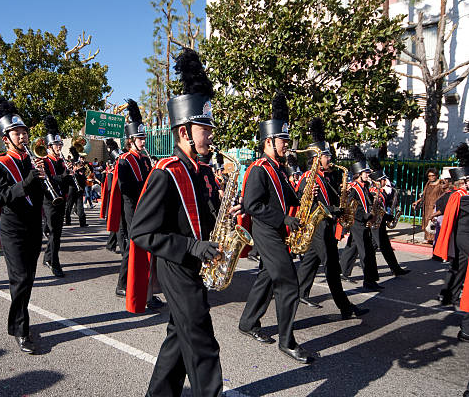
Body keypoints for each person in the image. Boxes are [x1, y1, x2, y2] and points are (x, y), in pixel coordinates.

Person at [128, 48, 225, 396]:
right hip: (177, 265)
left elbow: (207, 215)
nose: (211, 135)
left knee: (179, 338)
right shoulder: (166, 173)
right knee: (202, 345)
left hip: (196, 264)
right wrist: (192, 246)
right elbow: (141, 232)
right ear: (184, 131)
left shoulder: (203, 171)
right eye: (206, 128)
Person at [237, 92, 315, 364]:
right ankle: (287, 341)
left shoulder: (278, 169)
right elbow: (251, 205)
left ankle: (248, 322)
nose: (286, 145)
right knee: (289, 284)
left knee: (266, 279)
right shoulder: (259, 169)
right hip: (267, 232)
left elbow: (289, 198)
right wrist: (283, 219)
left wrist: (307, 195)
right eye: (282, 140)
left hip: (276, 231)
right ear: (268, 141)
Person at [0, 95, 45, 354]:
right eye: (17, 133)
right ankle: (21, 329)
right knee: (20, 279)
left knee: (28, 279)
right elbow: (0, 197)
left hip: (33, 226)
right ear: (6, 138)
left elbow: (35, 195)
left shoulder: (30, 161)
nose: (23, 137)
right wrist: (28, 182)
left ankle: (15, 321)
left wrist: (46, 183)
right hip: (13, 228)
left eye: (24, 132)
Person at [294, 118, 369, 319]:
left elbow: (333, 201)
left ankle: (300, 292)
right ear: (316, 159)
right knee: (332, 267)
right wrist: (335, 210)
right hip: (317, 226)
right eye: (326, 155)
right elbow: (306, 204)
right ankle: (345, 307)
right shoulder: (308, 179)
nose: (330, 158)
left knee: (310, 261)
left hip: (324, 226)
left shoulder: (326, 178)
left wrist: (341, 201)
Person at [107, 99, 154, 301]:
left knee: (147, 249)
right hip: (133, 209)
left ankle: (145, 287)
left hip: (146, 207)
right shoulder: (125, 160)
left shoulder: (145, 158)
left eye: (143, 138)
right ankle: (122, 284)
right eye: (139, 138)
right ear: (130, 140)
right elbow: (124, 189)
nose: (143, 141)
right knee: (132, 248)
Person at [339, 146, 383, 291]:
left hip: (364, 222)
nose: (368, 174)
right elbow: (351, 207)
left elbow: (369, 204)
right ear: (359, 173)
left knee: (355, 247)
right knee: (366, 251)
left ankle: (344, 271)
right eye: (366, 172)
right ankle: (369, 281)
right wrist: (365, 216)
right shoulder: (353, 189)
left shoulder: (364, 186)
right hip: (357, 223)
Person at [435, 143, 469, 309]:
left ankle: (450, 295)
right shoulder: (460, 196)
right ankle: (448, 294)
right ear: (463, 182)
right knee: (456, 268)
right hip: (460, 236)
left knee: (459, 268)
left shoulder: (462, 195)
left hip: (462, 236)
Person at [367, 167, 410, 277]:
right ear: (378, 181)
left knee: (382, 246)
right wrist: (388, 217)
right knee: (378, 247)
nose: (385, 182)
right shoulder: (373, 193)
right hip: (374, 223)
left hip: (379, 222)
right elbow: (375, 210)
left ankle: (395, 269)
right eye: (383, 180)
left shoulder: (382, 192)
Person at [41, 115, 70, 278]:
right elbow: (47, 180)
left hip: (61, 199)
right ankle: (54, 262)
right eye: (56, 144)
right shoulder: (44, 161)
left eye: (60, 143)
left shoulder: (61, 161)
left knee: (56, 232)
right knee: (55, 233)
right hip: (49, 201)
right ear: (49, 146)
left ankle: (47, 257)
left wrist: (74, 175)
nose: (59, 146)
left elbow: (66, 182)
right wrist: (64, 176)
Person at [413, 168, 445, 244]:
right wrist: (417, 201)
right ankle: (428, 238)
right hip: (427, 205)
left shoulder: (441, 184)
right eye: (429, 176)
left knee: (434, 221)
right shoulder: (428, 183)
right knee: (427, 221)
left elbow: (444, 195)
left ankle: (435, 238)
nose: (431, 177)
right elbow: (424, 195)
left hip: (436, 206)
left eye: (432, 175)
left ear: (436, 175)